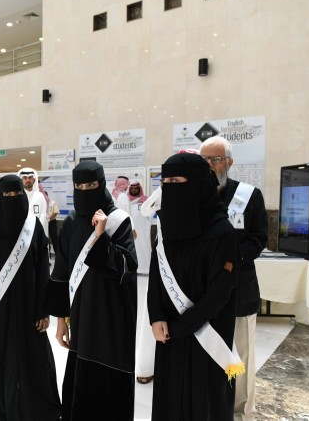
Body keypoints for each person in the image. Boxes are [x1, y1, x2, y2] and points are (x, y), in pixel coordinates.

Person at [147, 152, 241, 421]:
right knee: (170, 397)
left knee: (203, 401)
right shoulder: (167, 228)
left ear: (198, 184)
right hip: (168, 334)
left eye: (176, 181)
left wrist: (181, 326)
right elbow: (156, 275)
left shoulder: (222, 232)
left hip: (206, 335)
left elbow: (219, 293)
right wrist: (156, 316)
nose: (168, 187)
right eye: (165, 182)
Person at [45, 160, 138, 421]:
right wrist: (61, 321)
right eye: (79, 186)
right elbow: (61, 273)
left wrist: (101, 236)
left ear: (102, 184)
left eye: (91, 185)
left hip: (112, 319)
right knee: (80, 385)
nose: (85, 191)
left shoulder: (118, 221)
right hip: (81, 318)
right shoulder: (71, 221)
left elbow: (126, 270)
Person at [0, 175, 62, 421]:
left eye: (17, 194)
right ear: (0, 197)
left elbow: (43, 270)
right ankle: (2, 413)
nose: (12, 198)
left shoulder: (33, 226)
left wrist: (43, 310)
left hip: (30, 308)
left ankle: (38, 411)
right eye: (7, 195)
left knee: (35, 361)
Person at [200, 136, 268, 421]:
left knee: (241, 356)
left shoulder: (249, 195)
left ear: (229, 162)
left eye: (215, 159)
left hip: (239, 291)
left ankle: (241, 412)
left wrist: (230, 260)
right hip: (204, 293)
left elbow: (258, 238)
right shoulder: (195, 196)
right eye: (204, 159)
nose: (209, 165)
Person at [127, 182, 155, 385]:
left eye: (137, 187)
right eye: (132, 187)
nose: (135, 189)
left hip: (146, 250)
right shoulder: (125, 203)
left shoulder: (147, 203)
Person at [17, 168, 48, 238]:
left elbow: (43, 215)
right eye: (25, 178)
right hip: (20, 234)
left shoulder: (40, 196)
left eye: (30, 177)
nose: (28, 180)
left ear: (34, 180)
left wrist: (36, 230)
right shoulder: (17, 197)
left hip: (36, 233)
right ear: (21, 180)